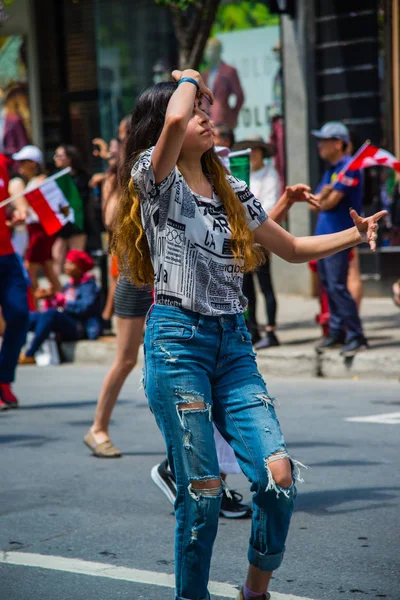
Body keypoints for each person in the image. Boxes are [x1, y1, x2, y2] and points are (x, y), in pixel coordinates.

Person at [111, 70, 384, 600]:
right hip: (176, 342)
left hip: (234, 345)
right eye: (197, 110)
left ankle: (253, 592)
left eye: (206, 108)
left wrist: (357, 232)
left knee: (278, 478)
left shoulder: (231, 188)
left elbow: (293, 250)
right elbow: (171, 117)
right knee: (204, 494)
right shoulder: (153, 176)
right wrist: (189, 75)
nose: (205, 116)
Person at [84, 120, 153, 458]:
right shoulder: (122, 175)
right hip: (135, 275)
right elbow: (112, 220)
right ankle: (97, 428)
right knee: (126, 359)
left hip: (167, 279)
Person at [312, 122, 368, 357]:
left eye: (324, 141)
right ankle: (336, 331)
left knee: (337, 285)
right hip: (323, 237)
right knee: (329, 286)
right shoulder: (332, 170)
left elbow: (328, 202)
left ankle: (356, 334)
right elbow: (315, 203)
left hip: (339, 237)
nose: (320, 146)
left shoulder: (351, 167)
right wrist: (322, 196)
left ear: (338, 143)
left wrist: (324, 196)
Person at [234, 136, 281, 348]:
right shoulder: (243, 176)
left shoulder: (270, 175)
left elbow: (268, 207)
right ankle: (252, 329)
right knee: (246, 288)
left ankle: (271, 331)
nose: (252, 153)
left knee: (265, 285)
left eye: (256, 149)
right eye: (248, 150)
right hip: (242, 238)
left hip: (261, 238)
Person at [19, 250, 102, 364]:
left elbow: (84, 308)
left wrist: (63, 301)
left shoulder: (89, 286)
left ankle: (29, 354)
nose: (66, 266)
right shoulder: (69, 284)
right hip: (66, 320)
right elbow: (59, 302)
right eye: (66, 263)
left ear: (80, 267)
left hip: (79, 326)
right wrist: (50, 298)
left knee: (51, 314)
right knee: (31, 317)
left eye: (71, 263)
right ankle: (16, 350)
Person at [9, 145, 61, 299]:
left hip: (40, 231)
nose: (20, 166)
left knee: (29, 269)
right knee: (48, 269)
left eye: (23, 161)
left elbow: (45, 208)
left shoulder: (40, 181)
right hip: (35, 230)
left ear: (33, 163)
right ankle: (61, 301)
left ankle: (35, 306)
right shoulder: (32, 181)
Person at [0, 152, 30, 409]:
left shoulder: (2, 163)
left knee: (20, 314)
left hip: (6, 255)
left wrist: (17, 214)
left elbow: (11, 198)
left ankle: (3, 378)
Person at [52, 145, 89, 275]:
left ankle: (79, 290)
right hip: (62, 223)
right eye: (56, 155)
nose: (56, 158)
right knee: (56, 256)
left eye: (60, 155)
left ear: (69, 158)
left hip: (77, 222)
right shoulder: (54, 178)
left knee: (76, 259)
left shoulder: (82, 177)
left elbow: (81, 202)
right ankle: (58, 293)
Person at [202, 38, 244, 128]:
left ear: (218, 51)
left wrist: (233, 115)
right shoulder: (205, 74)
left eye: (210, 49)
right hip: (206, 118)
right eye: (206, 49)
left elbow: (240, 96)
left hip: (223, 118)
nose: (207, 52)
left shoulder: (229, 71)